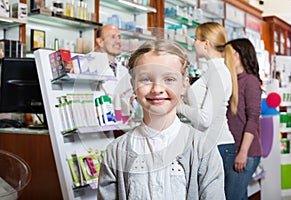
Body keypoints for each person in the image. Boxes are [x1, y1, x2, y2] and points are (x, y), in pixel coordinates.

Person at [97, 39, 225, 199]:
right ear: (133, 85)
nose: (157, 89)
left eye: (169, 79)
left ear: (184, 86)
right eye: (146, 79)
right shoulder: (115, 152)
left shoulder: (203, 149)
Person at [176, 22, 238, 198]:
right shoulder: (213, 70)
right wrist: (186, 90)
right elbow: (200, 108)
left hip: (218, 146)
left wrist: (177, 107)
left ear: (206, 43)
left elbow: (204, 119)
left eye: (196, 38)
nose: (193, 43)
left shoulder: (218, 72)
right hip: (211, 145)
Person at [225, 38, 262, 200]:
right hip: (234, 149)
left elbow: (252, 119)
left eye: (229, 54)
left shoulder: (250, 81)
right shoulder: (231, 81)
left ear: (238, 55)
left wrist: (243, 152)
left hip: (246, 151)